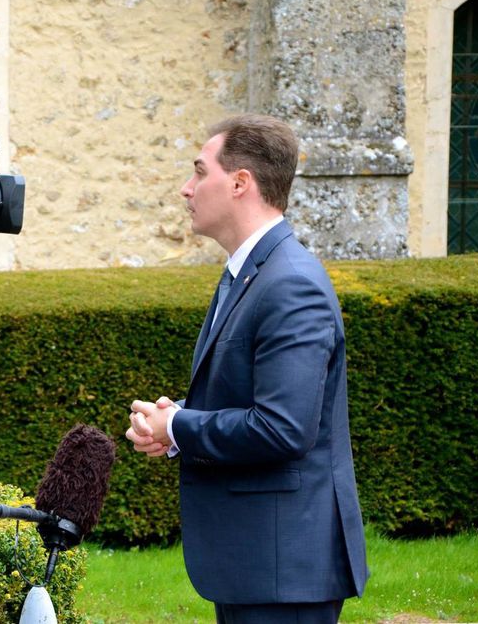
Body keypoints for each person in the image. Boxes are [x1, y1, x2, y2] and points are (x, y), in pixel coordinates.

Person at [126, 114, 368, 623]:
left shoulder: (290, 283)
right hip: (259, 564)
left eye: (199, 172)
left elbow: (283, 428)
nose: (186, 189)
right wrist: (178, 425)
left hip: (284, 572)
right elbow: (254, 401)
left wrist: (179, 426)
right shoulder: (249, 272)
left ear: (240, 183)